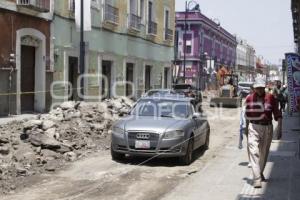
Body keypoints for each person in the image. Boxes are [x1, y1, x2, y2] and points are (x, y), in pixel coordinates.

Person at [245, 77, 282, 188]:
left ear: (264, 87)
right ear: (254, 88)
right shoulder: (249, 99)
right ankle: (257, 178)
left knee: (264, 153)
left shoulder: (271, 98)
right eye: (257, 88)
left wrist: (279, 128)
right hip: (253, 127)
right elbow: (246, 115)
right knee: (254, 151)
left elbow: (278, 115)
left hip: (267, 127)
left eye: (261, 88)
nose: (259, 90)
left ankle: (260, 172)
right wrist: (247, 130)